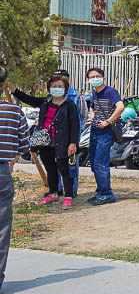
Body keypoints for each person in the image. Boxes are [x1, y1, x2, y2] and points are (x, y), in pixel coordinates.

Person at [13, 76, 80, 210]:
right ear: (49, 88)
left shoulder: (69, 104)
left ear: (65, 89)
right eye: (54, 86)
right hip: (45, 141)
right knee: (50, 168)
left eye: (60, 86)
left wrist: (73, 143)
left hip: (62, 141)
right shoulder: (45, 102)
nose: (57, 88)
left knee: (64, 169)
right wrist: (13, 90)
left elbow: (75, 125)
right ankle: (53, 193)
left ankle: (68, 196)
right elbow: (28, 99)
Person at [0, 64, 30, 294]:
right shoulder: (14, 112)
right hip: (2, 172)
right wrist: (11, 159)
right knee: (2, 227)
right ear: (3, 85)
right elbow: (24, 145)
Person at [85, 67, 124, 205]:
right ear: (88, 80)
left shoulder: (110, 92)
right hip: (95, 130)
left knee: (100, 163)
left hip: (105, 132)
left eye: (97, 76)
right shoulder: (94, 93)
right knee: (95, 163)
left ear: (103, 78)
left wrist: (107, 121)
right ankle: (101, 190)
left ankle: (107, 194)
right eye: (92, 77)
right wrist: (93, 117)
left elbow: (121, 107)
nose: (95, 78)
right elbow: (92, 107)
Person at [54, 69, 83, 198]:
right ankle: (58, 189)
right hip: (54, 136)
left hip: (71, 137)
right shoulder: (51, 97)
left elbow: (84, 115)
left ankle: (72, 190)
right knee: (56, 164)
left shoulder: (76, 96)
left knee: (71, 164)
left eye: (63, 78)